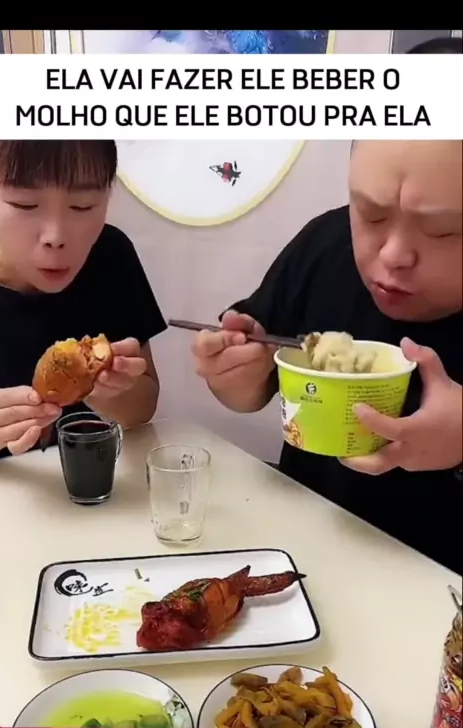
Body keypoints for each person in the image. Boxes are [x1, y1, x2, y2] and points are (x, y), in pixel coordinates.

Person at [191, 138, 463, 575]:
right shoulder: (325, 244)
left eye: (442, 230)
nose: (393, 255)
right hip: (303, 554)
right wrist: (234, 375)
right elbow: (251, 390)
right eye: (371, 214)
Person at [0, 140, 167, 462]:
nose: (55, 237)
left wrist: (111, 393)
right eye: (25, 204)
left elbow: (142, 410)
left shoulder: (110, 255)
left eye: (83, 206)